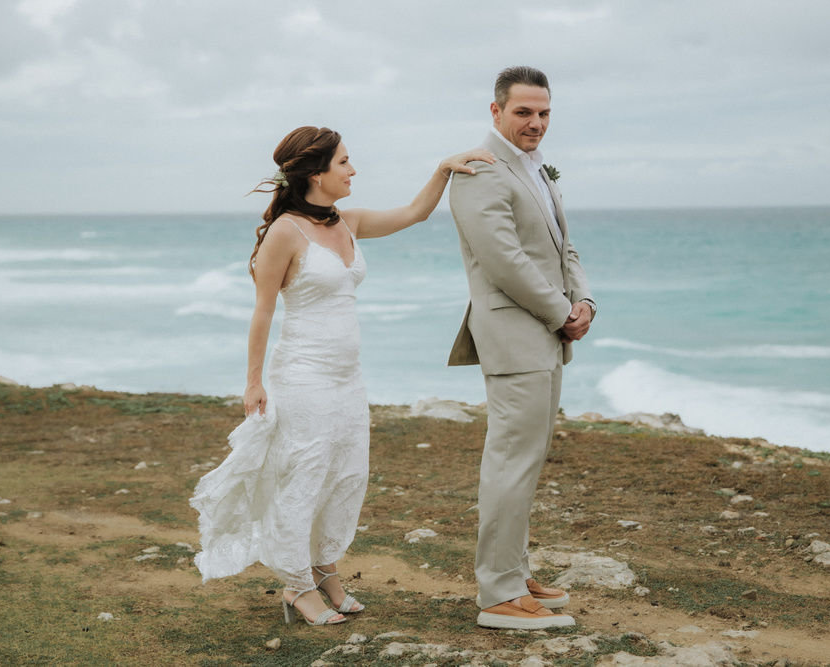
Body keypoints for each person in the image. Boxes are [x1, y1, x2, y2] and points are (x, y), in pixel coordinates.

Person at [190, 126, 494, 626]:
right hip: (303, 376)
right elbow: (263, 311)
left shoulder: (347, 222)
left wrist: (443, 168)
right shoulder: (285, 232)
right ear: (315, 172)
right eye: (345, 162)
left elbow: (414, 214)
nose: (354, 171)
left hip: (348, 378)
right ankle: (296, 586)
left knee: (346, 476)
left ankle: (325, 570)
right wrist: (253, 381)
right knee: (305, 478)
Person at [447, 66, 596, 630]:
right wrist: (561, 312)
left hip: (548, 334)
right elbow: (503, 259)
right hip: (516, 334)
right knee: (510, 460)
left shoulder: (536, 170)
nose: (536, 123)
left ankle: (513, 569)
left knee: (526, 461)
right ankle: (499, 595)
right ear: (496, 112)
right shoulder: (480, 172)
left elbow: (563, 247)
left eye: (545, 113)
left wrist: (584, 303)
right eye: (524, 113)